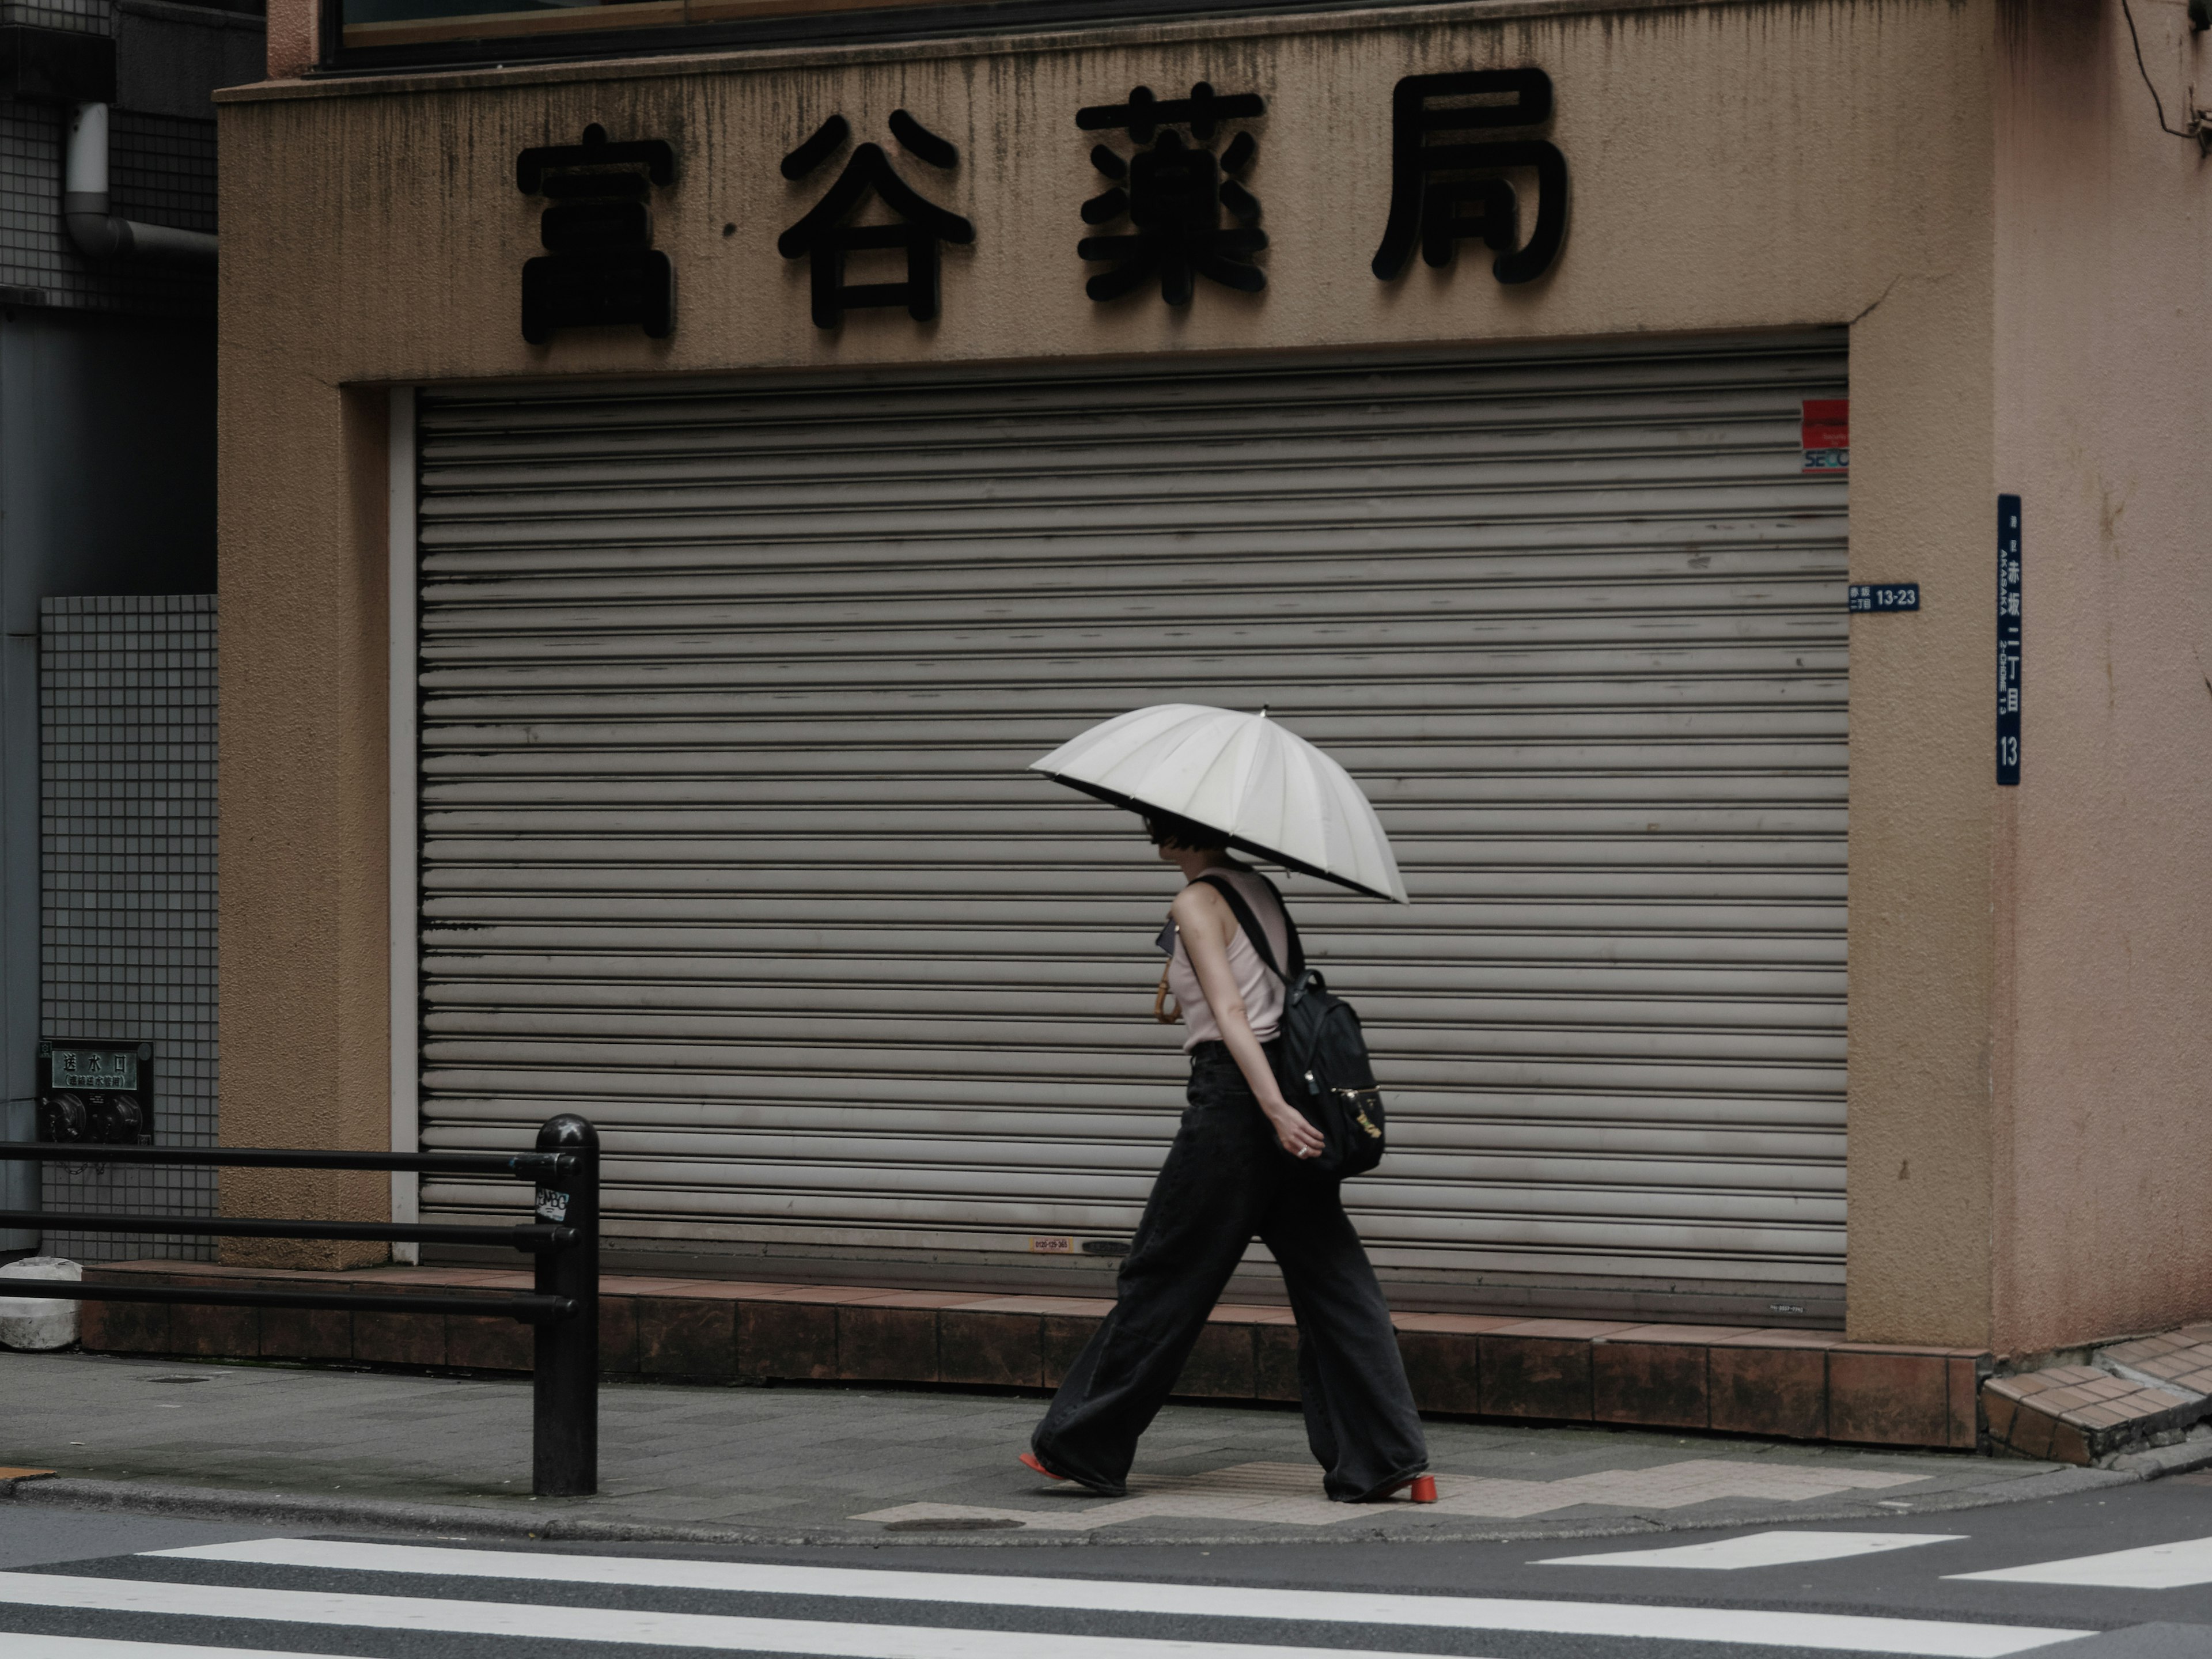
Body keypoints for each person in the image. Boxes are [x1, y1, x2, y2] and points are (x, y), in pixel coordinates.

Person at [1022, 810, 1433, 1503]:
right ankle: (1394, 1459)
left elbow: (1234, 1014)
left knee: (1164, 1271)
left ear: (1170, 831)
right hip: (1288, 1099)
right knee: (1334, 1283)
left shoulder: (1194, 899)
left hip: (1239, 1102)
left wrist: (1269, 1108)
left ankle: (1084, 1443)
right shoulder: (1259, 890)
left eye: (1153, 822)